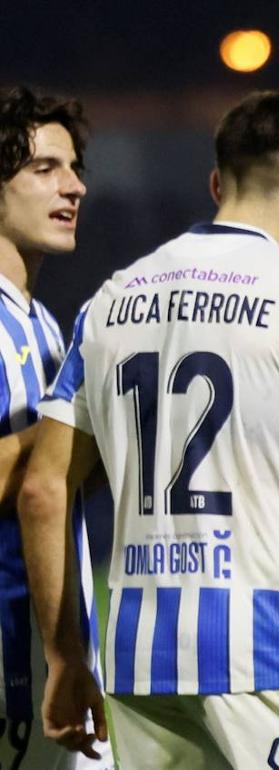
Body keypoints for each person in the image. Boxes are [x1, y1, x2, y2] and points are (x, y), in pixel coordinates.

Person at [18, 91, 279, 768]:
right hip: (261, 651)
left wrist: (65, 658)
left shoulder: (108, 301)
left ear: (218, 183)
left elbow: (43, 491)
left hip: (137, 664)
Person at [0, 85, 111, 770]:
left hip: (45, 662)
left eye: (74, 170)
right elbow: (40, 473)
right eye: (45, 169)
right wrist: (76, 430)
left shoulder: (40, 323)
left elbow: (58, 486)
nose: (73, 188)